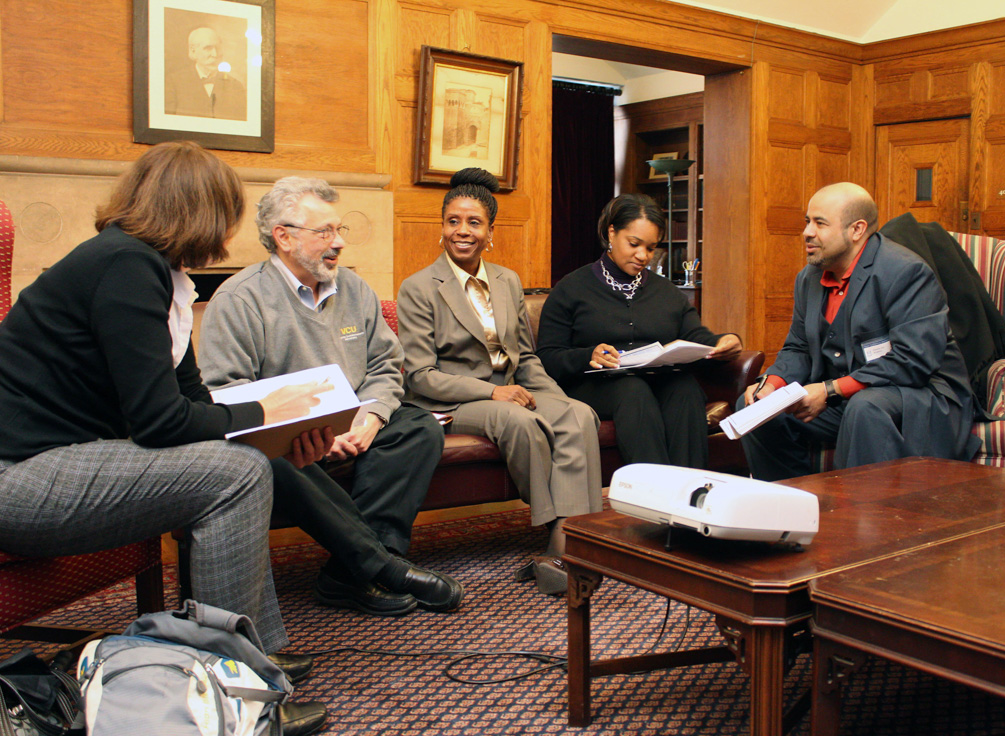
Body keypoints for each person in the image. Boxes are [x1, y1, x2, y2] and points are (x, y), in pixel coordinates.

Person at [0, 141, 326, 736]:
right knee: (237, 474)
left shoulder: (162, 276)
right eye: (226, 211)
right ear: (200, 210)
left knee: (246, 462)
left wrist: (277, 433)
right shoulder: (124, 266)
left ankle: (254, 652)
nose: (228, 228)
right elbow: (159, 422)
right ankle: (233, 688)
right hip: (19, 478)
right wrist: (263, 410)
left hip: (63, 460)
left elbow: (193, 404)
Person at [199, 176, 462, 615]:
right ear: (283, 237)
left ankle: (351, 571)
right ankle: (380, 566)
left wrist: (371, 419)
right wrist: (304, 428)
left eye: (339, 231)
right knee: (263, 455)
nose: (338, 243)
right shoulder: (240, 298)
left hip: (355, 421)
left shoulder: (355, 290)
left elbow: (383, 367)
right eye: (325, 232)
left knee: (417, 427)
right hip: (285, 434)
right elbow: (226, 392)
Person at [397, 168, 603, 596]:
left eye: (474, 223)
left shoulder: (507, 281)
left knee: (578, 415)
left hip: (512, 387)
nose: (462, 231)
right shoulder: (418, 288)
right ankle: (563, 532)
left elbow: (525, 357)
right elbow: (420, 375)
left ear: (490, 231)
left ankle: (562, 544)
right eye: (453, 221)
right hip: (453, 400)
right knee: (520, 422)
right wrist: (493, 391)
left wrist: (556, 401)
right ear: (442, 228)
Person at [738, 182, 979, 481]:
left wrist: (829, 390)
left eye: (820, 223)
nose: (807, 232)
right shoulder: (809, 278)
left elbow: (913, 362)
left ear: (857, 229)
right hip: (845, 398)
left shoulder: (905, 272)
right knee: (754, 411)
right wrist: (772, 385)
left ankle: (862, 520)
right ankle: (792, 501)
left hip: (919, 395)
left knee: (865, 407)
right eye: (807, 221)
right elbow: (799, 347)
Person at [536, 193, 743, 469]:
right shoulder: (571, 289)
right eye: (634, 244)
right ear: (612, 232)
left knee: (685, 389)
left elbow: (696, 337)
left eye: (651, 248)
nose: (643, 256)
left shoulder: (666, 291)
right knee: (632, 391)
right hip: (594, 384)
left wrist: (725, 342)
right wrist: (590, 354)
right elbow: (548, 357)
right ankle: (654, 494)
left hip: (655, 378)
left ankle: (689, 490)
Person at [165, 26, 247, 120]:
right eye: (208, 48)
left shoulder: (236, 86)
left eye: (218, 48)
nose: (215, 54)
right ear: (193, 51)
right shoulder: (173, 83)